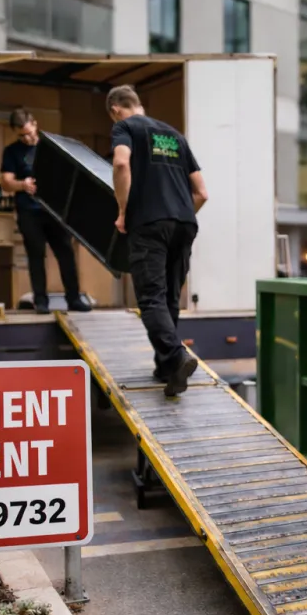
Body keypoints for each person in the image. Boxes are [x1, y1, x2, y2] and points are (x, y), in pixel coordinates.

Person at [107, 85, 209, 396]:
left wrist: (123, 210)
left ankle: (176, 357)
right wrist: (179, 215)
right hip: (185, 223)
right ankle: (167, 366)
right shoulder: (174, 135)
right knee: (167, 299)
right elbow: (202, 192)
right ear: (138, 103)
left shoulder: (124, 128)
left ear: (115, 110)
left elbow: (121, 163)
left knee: (150, 297)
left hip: (149, 222)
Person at [0, 107, 91, 314]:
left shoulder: (52, 147)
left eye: (30, 132)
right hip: (29, 211)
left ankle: (74, 299)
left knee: (66, 253)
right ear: (15, 132)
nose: (28, 138)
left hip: (55, 212)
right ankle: (41, 302)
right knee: (36, 255)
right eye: (22, 135)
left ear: (35, 124)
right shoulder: (12, 152)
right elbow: (6, 182)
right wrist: (23, 185)